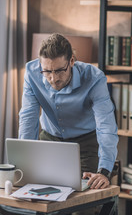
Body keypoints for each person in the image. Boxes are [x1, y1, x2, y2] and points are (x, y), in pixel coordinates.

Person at [19, 33, 118, 189]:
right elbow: (28, 118)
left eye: (59, 71)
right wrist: (23, 163)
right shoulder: (32, 73)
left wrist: (104, 171)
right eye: (47, 72)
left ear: (71, 61)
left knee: (83, 200)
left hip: (85, 144)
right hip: (50, 140)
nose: (53, 78)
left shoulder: (94, 78)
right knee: (40, 196)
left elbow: (106, 126)